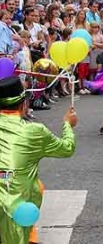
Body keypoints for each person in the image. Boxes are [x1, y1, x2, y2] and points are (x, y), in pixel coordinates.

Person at [0, 76, 77, 244]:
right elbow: (67, 148)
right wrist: (67, 125)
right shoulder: (34, 131)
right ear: (24, 104)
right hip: (14, 208)